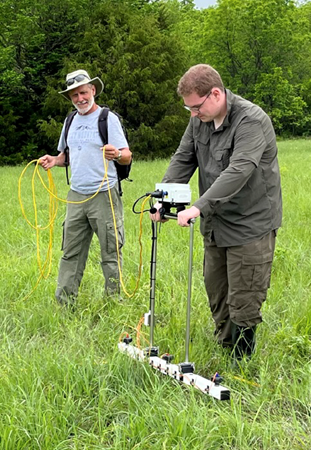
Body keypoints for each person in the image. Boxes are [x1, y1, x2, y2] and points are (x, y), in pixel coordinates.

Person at [154, 64, 282, 358]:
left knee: (244, 294)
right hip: (215, 222)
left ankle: (242, 359)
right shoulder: (199, 120)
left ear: (215, 93)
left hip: (250, 222)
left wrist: (197, 207)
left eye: (196, 107)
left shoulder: (251, 120)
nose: (192, 114)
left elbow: (239, 171)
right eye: (188, 109)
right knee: (218, 290)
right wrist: (163, 199)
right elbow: (183, 158)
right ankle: (226, 349)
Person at [37, 69, 132, 304]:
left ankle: (114, 302)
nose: (80, 98)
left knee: (111, 251)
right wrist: (54, 160)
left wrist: (117, 153)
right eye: (74, 95)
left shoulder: (108, 119)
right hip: (76, 196)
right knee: (71, 252)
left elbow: (127, 156)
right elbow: (66, 156)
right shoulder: (70, 121)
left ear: (93, 90)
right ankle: (64, 304)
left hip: (104, 195)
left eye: (83, 92)